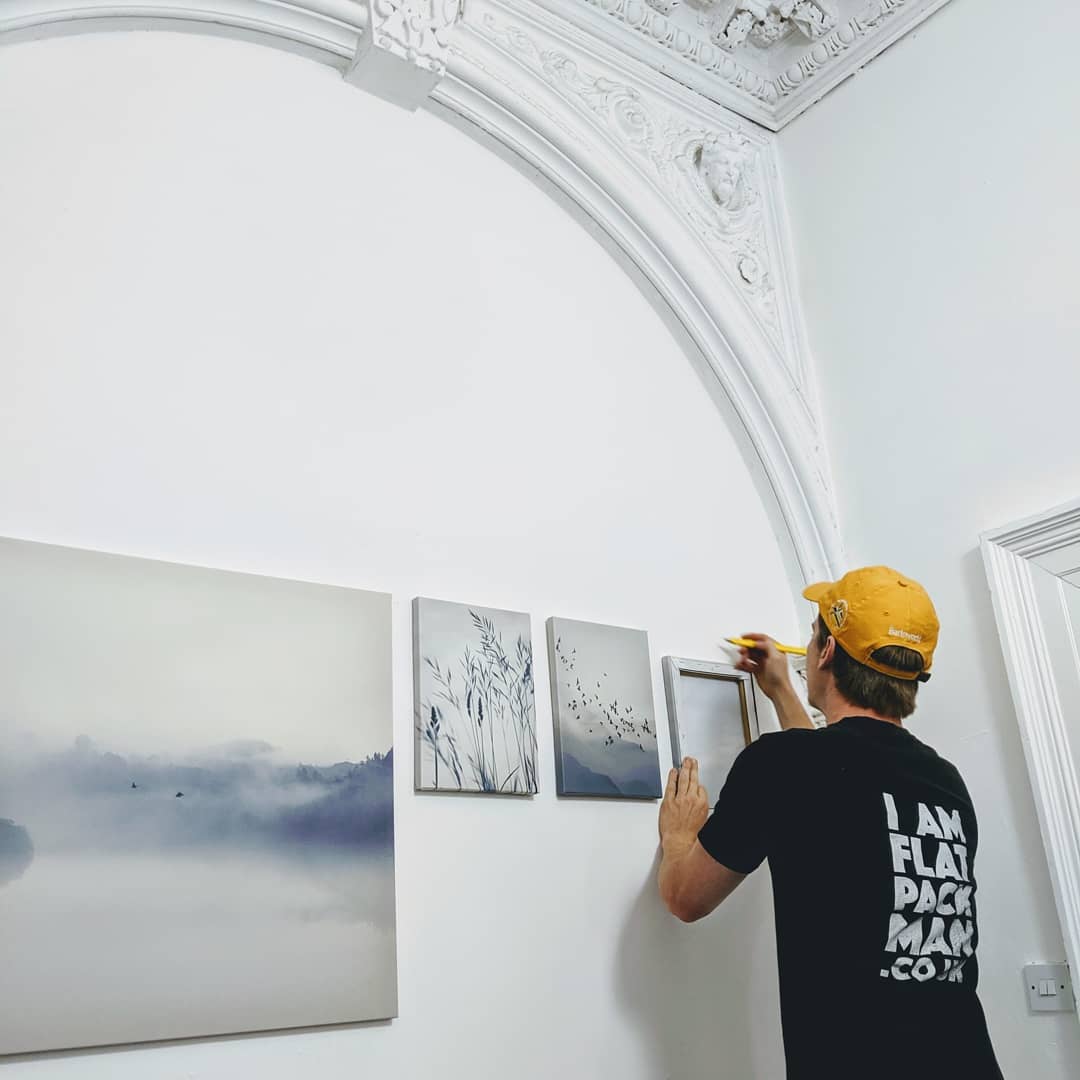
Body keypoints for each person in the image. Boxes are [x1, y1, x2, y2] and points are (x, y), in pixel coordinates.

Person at [656, 566, 1003, 1079]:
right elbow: (829, 786)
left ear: (826, 652)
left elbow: (685, 898)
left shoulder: (784, 766)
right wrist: (779, 691)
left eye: (815, 632)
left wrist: (680, 834)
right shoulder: (945, 782)